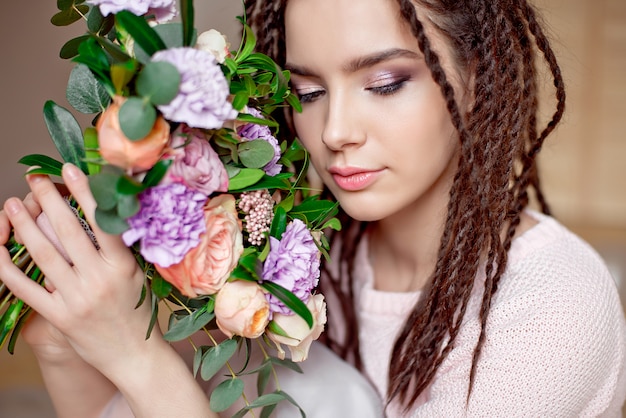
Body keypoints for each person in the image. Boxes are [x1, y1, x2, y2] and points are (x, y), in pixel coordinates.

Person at [0, 0, 624, 417]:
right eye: (308, 92)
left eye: (384, 84)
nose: (334, 131)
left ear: (476, 73)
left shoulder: (552, 307)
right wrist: (63, 342)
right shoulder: (295, 254)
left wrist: (132, 354)